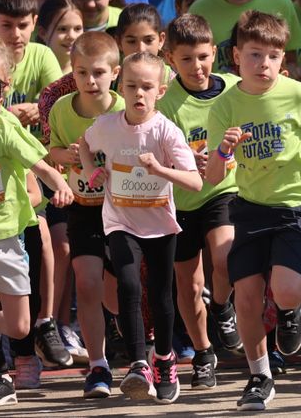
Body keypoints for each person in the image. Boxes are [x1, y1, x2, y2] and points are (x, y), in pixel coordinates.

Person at [202, 10, 301, 411]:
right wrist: (223, 150)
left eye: (273, 56)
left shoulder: (298, 93)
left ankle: (290, 313)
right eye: (254, 55)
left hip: (297, 206)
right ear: (236, 56)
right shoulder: (225, 106)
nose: (263, 64)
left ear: (283, 61)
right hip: (250, 208)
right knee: (248, 297)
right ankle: (260, 376)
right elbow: (213, 174)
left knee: (287, 291)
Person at [79, 52, 201, 404]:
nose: (139, 94)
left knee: (162, 294)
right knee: (128, 286)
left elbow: (193, 180)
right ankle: (137, 365)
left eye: (147, 87)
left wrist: (161, 171)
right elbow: (85, 144)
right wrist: (91, 171)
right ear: (121, 86)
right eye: (131, 86)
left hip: (160, 223)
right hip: (120, 220)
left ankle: (164, 359)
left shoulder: (165, 130)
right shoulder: (107, 124)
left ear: (160, 91)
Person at [0, 52, 73, 415]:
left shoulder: (4, 129)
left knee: (19, 325)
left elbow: (39, 164)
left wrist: (59, 182)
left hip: (7, 238)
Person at [157, 15, 243, 388]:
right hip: (180, 201)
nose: (197, 66)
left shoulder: (236, 88)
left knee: (225, 258)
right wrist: (184, 160)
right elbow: (152, 150)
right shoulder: (166, 103)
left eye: (204, 56)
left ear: (215, 53)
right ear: (170, 58)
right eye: (187, 59)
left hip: (222, 190)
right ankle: (204, 352)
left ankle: (223, 306)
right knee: (189, 286)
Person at [46, 32, 124, 398]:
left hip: (125, 210)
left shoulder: (126, 107)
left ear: (114, 73)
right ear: (72, 74)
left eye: (97, 72)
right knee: (88, 283)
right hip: (84, 208)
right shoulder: (62, 109)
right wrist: (71, 156)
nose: (89, 81)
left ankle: (136, 344)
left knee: (119, 293)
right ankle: (98, 366)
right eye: (81, 73)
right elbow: (53, 152)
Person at [0, 0, 63, 135]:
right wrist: (6, 115)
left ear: (34, 23)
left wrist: (39, 109)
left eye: (22, 25)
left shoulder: (42, 55)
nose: (16, 34)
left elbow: (62, 101)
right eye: (7, 25)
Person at [36, 0, 83, 75]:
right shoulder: (33, 72)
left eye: (77, 29)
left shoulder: (91, 72)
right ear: (43, 33)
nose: (72, 36)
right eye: (63, 29)